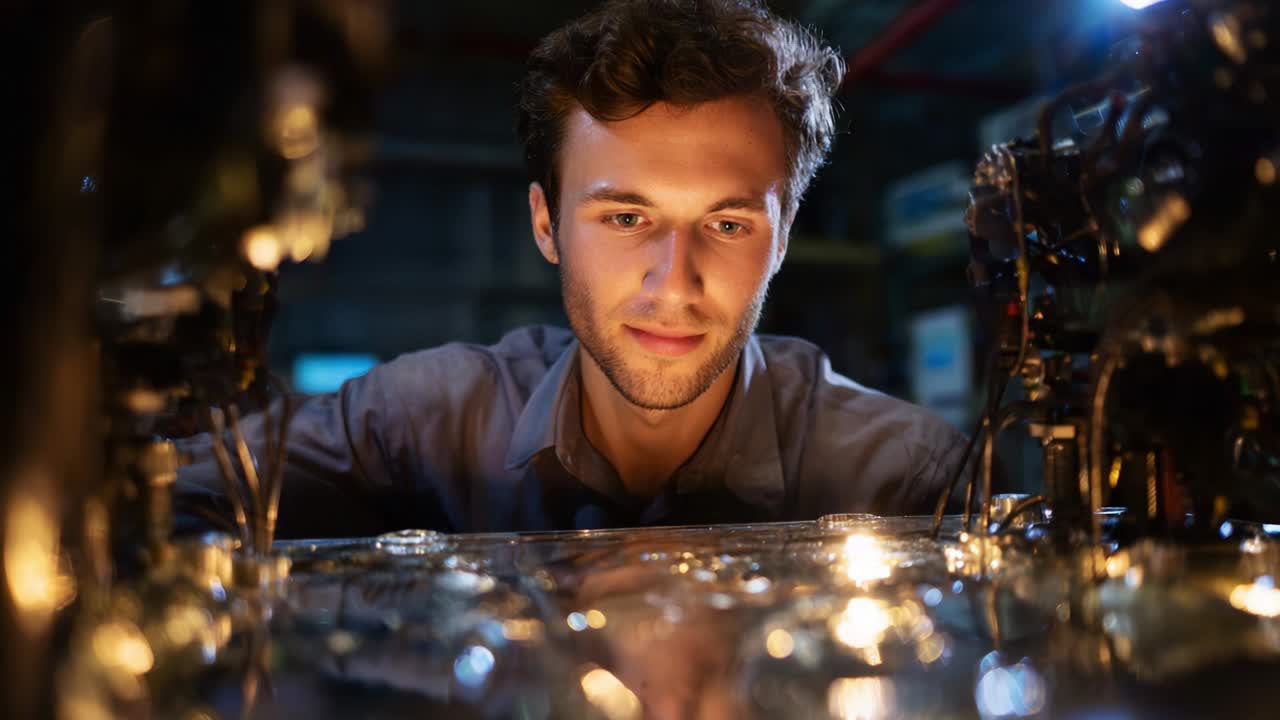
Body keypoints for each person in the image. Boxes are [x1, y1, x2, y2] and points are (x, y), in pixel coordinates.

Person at [176, 0, 969, 538]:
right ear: (546, 224)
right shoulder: (421, 425)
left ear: (784, 234)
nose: (674, 281)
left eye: (726, 224)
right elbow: (173, 504)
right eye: (627, 218)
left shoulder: (907, 479)